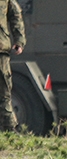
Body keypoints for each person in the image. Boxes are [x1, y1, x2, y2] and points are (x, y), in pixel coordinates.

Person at [1, 0, 25, 132]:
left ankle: (9, 129)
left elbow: (15, 15)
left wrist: (19, 40)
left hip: (1, 50)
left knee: (4, 92)